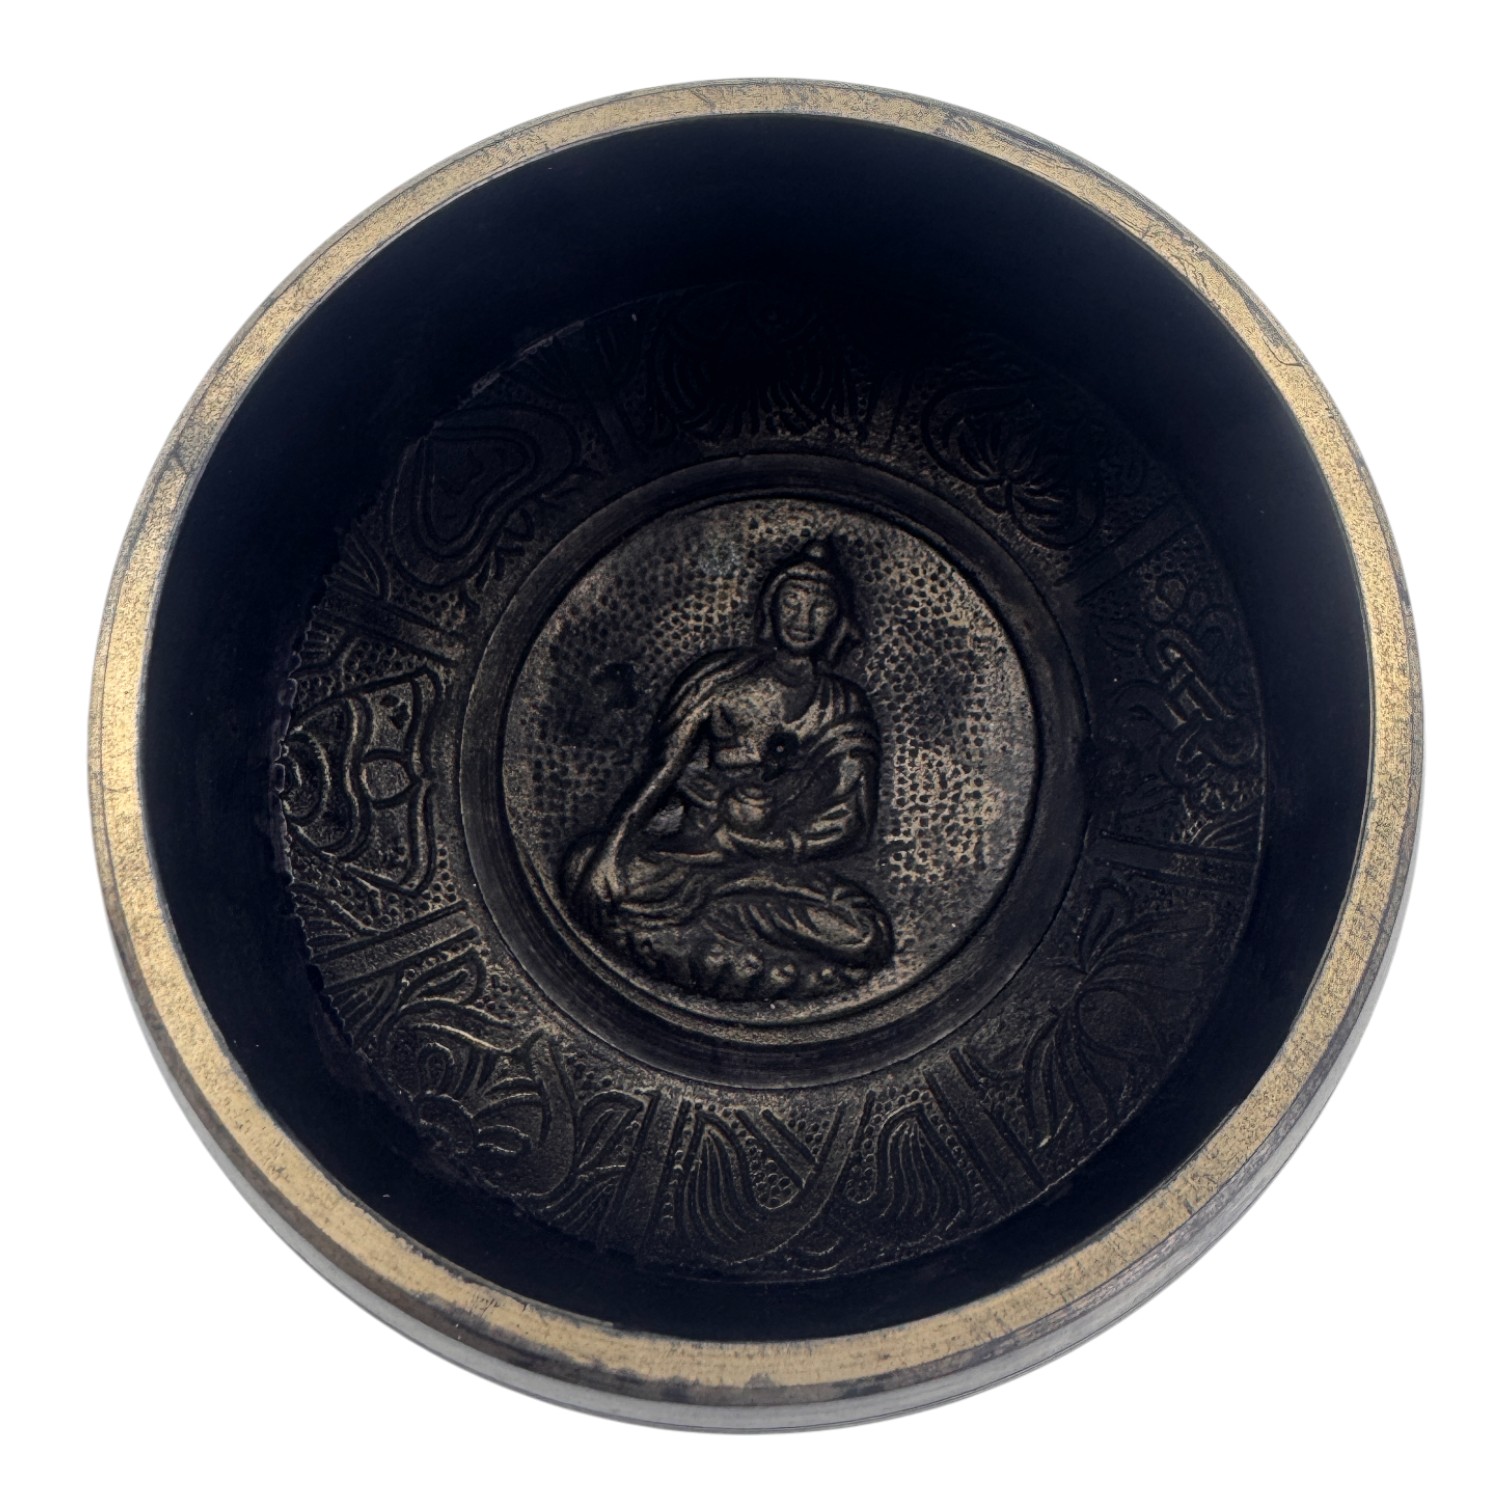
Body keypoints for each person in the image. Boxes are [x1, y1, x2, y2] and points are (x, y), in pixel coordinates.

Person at [563, 538, 893, 1000]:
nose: (803, 619)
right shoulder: (721, 679)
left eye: (819, 607)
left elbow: (852, 821)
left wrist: (770, 840)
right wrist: (613, 849)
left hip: (771, 872)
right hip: (689, 856)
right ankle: (724, 945)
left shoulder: (843, 704)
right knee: (584, 866)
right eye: (792, 603)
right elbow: (662, 771)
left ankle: (703, 937)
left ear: (838, 618)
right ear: (770, 606)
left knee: (863, 934)